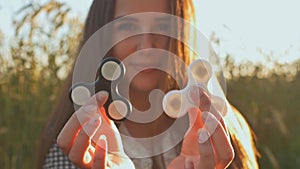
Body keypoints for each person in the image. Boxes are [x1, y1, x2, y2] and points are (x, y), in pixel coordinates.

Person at [36, 0, 260, 168]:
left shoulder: (221, 133)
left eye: (162, 26)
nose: (146, 45)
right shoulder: (76, 145)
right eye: (127, 27)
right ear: (101, 34)